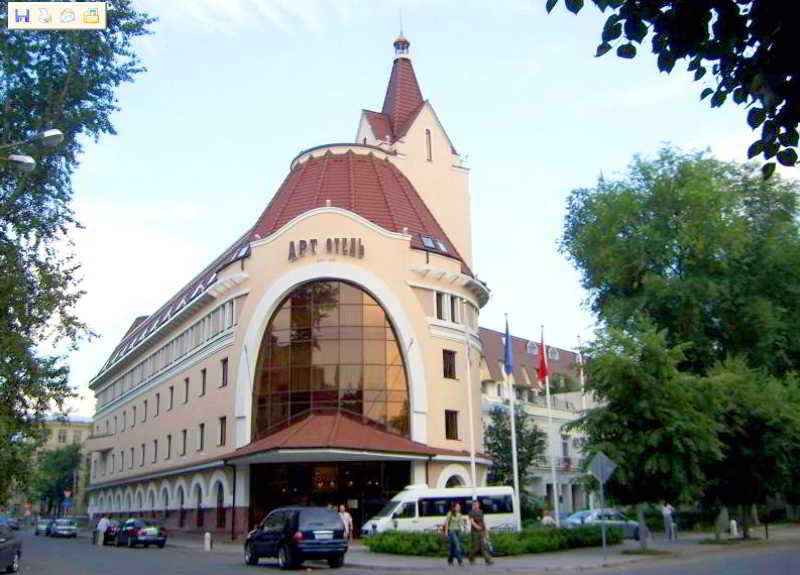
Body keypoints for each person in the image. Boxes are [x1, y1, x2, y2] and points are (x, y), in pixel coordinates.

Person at [468, 500, 494, 565]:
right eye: (474, 504)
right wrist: (477, 527)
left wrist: (486, 529)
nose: (476, 505)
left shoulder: (481, 511)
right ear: (473, 505)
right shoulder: (471, 512)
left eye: (477, 504)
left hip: (482, 531)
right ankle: (471, 558)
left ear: (478, 504)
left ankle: (488, 560)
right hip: (474, 532)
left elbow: (483, 521)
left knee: (484, 546)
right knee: (476, 547)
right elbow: (471, 521)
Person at [444, 502, 466, 567]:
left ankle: (450, 561)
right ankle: (460, 561)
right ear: (454, 507)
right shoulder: (449, 513)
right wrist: (445, 531)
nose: (459, 508)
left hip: (458, 531)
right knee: (457, 545)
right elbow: (447, 523)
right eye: (458, 506)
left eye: (459, 506)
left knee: (452, 548)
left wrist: (464, 525)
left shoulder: (459, 514)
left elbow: (461, 523)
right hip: (452, 531)